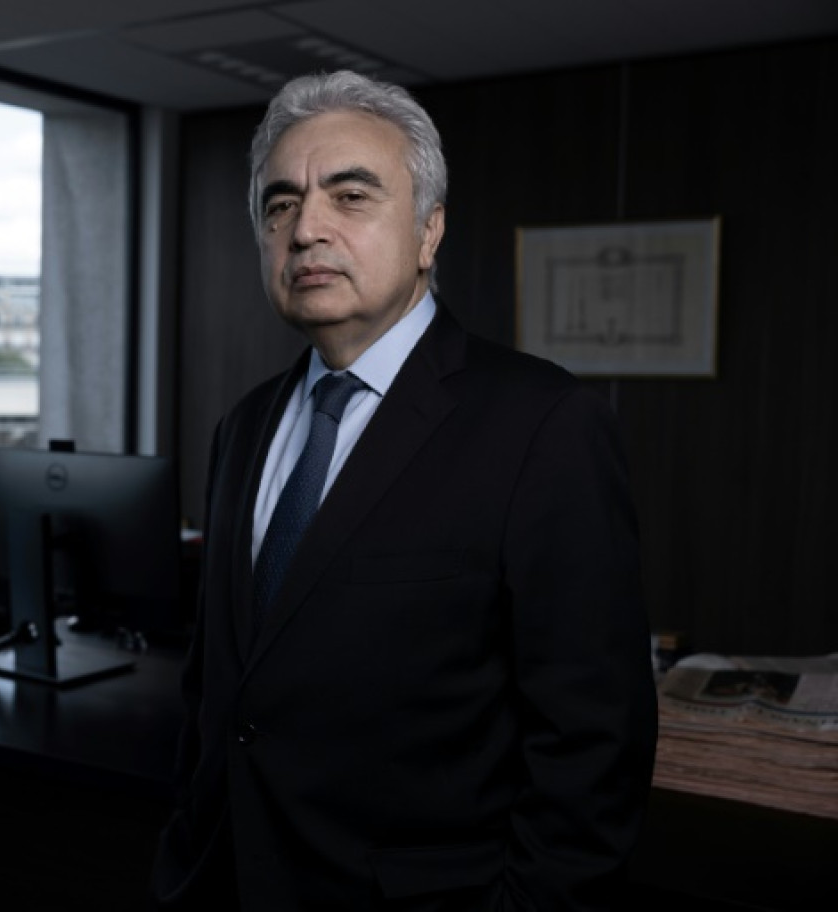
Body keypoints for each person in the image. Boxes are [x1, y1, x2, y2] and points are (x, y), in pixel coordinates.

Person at [149, 71, 658, 911]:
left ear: (429, 232)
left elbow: (592, 753)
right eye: (280, 206)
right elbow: (217, 694)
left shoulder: (545, 425)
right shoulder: (243, 428)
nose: (306, 227)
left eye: (351, 196)